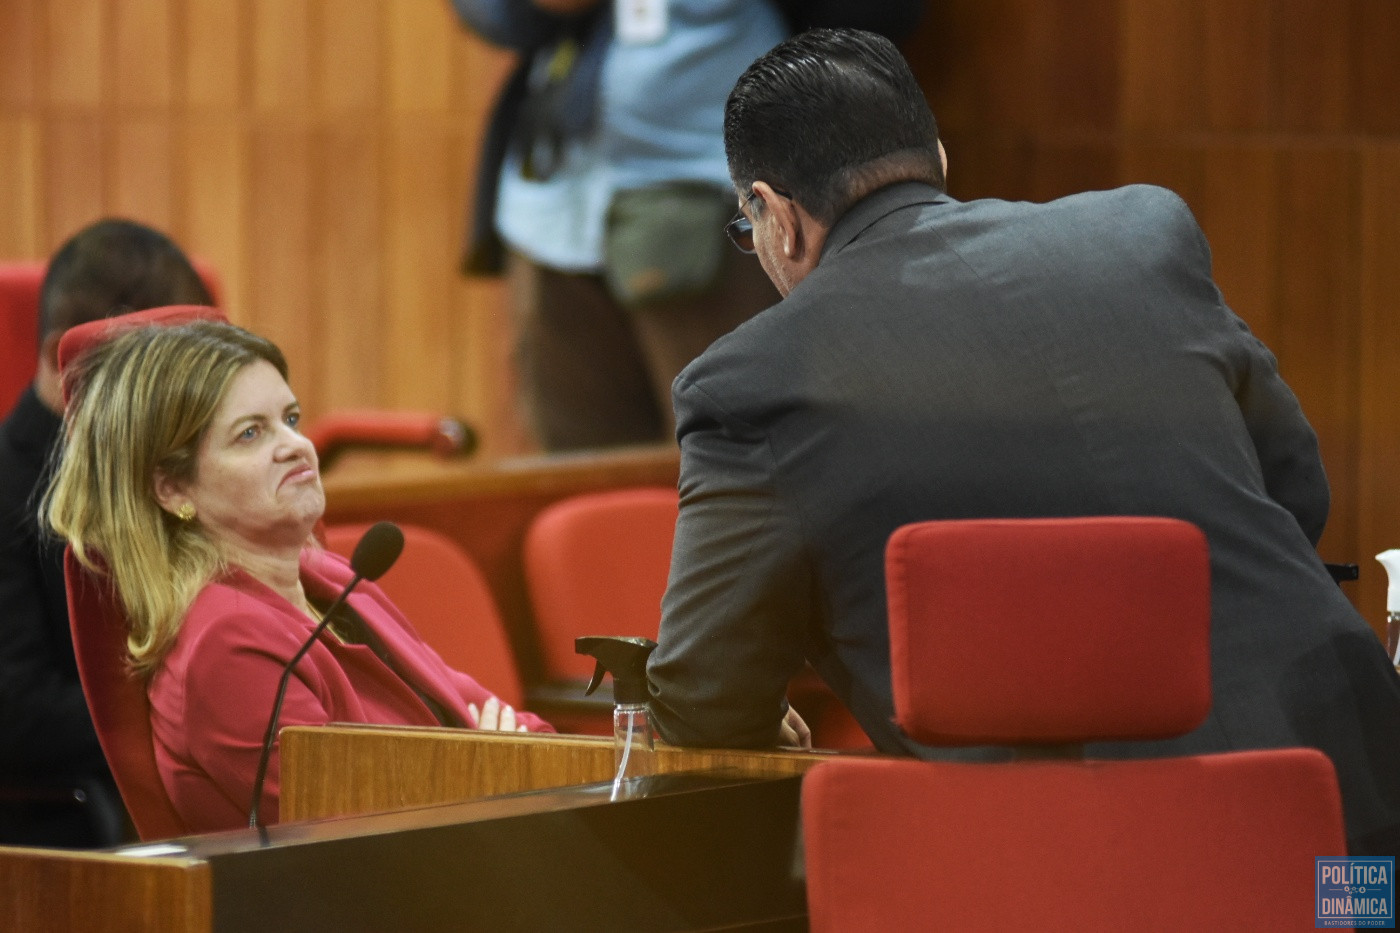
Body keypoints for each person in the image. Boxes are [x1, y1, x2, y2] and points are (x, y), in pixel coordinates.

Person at [645, 28, 1400, 856]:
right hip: (1342, 799)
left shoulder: (752, 381)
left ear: (777, 216)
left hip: (1078, 866)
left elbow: (703, 691)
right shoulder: (1139, 235)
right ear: (933, 153)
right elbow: (1296, 489)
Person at [45, 308, 551, 834]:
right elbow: (356, 830)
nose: (294, 446)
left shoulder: (331, 578)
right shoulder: (225, 645)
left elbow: (501, 721)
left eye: (289, 419)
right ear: (173, 490)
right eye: (250, 434)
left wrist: (515, 761)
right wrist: (497, 768)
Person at [450, 1, 920, 450]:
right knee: (583, 487)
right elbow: (490, 15)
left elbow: (877, 17)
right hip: (550, 209)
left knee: (742, 463)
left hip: (722, 198)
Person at [0, 219, 213, 848]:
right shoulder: (7, 489)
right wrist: (191, 709)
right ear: (58, 361)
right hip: (62, 829)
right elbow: (16, 715)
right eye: (144, 381)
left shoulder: (170, 472)